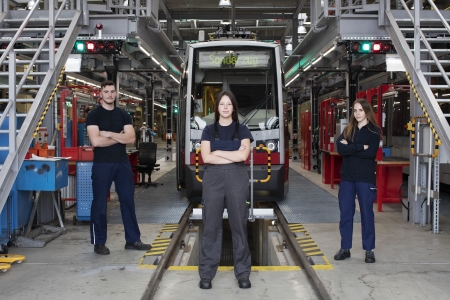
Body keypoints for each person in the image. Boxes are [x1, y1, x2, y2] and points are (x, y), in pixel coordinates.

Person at [86, 80, 151, 255]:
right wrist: (118, 137)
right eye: (106, 91)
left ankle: (132, 240)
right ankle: (99, 242)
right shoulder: (94, 116)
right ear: (100, 94)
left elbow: (131, 138)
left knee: (128, 201)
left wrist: (109, 134)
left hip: (122, 163)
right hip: (102, 164)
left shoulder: (124, 115)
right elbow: (96, 141)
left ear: (116, 94)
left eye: (112, 91)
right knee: (99, 203)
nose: (109, 95)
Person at [198, 91, 253, 290]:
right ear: (217, 108)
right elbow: (206, 158)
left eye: (229, 104)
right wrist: (233, 154)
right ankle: (206, 273)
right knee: (211, 226)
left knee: (239, 224)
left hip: (237, 179)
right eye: (222, 104)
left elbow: (243, 157)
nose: (225, 107)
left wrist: (218, 151)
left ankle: (243, 274)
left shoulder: (244, 130)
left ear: (233, 108)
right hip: (213, 179)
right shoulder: (208, 130)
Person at [334, 99, 381, 264]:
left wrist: (351, 148)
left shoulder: (374, 132)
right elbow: (340, 149)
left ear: (367, 111)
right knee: (345, 214)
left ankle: (369, 250)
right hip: (347, 178)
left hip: (365, 179)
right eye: (355, 111)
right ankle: (345, 248)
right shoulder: (348, 129)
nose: (357, 113)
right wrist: (361, 147)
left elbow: (371, 153)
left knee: (367, 215)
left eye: (360, 110)